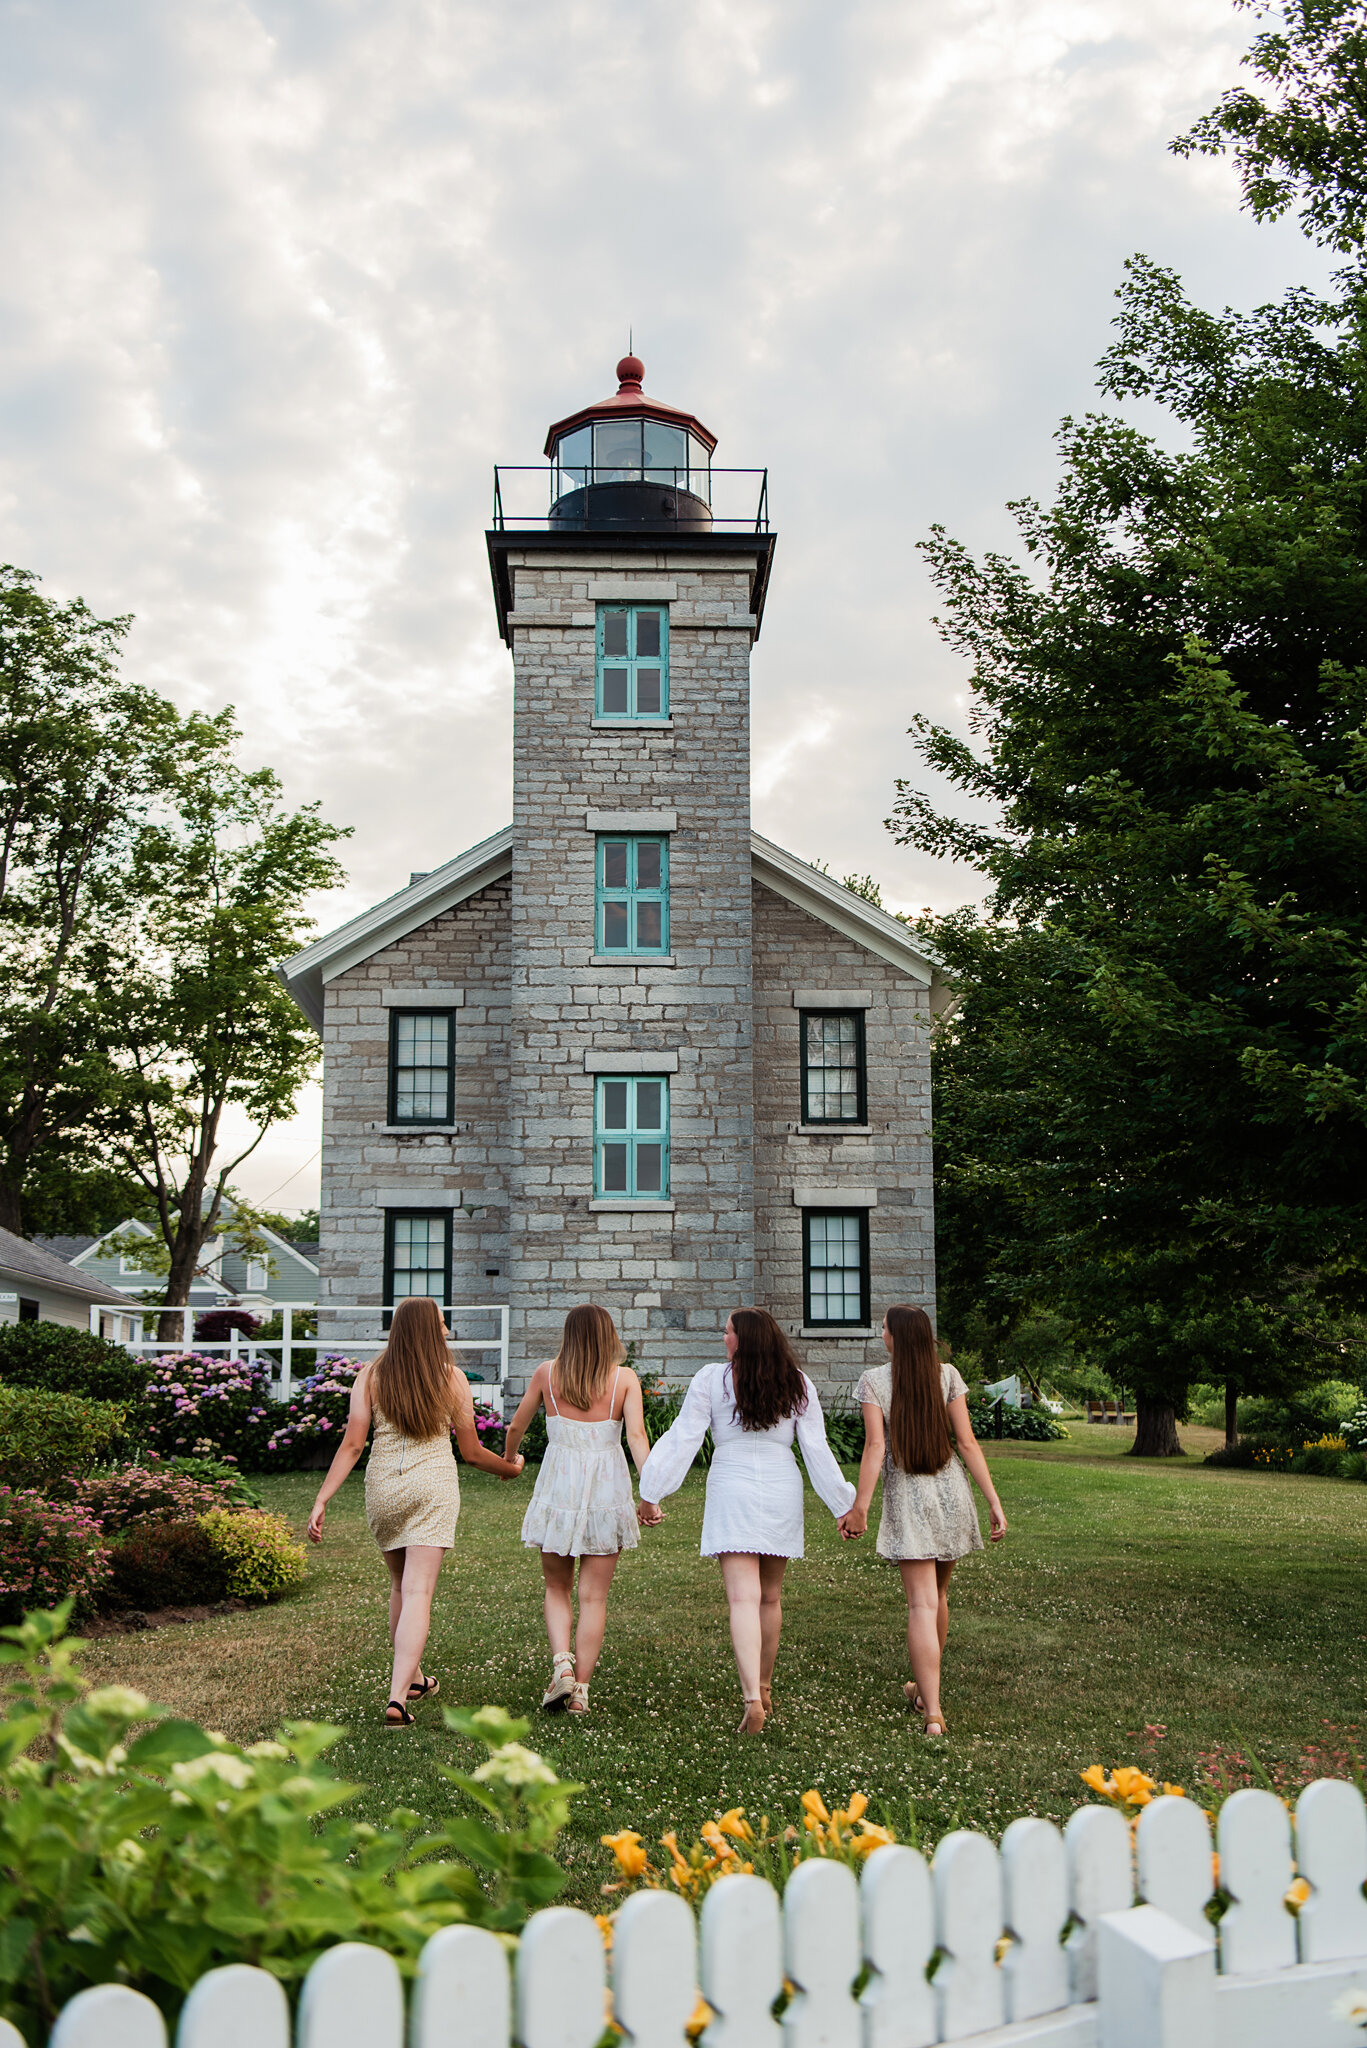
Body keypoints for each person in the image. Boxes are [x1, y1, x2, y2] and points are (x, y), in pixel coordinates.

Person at [306, 1294, 524, 1726]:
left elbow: (352, 1444)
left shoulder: (369, 1376)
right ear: (429, 1329)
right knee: (418, 1592)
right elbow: (472, 1452)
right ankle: (397, 1698)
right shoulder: (452, 1378)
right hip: (433, 1486)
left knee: (400, 1589)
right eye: (441, 1322)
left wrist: (322, 1498)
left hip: (384, 1488)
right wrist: (511, 1469)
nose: (446, 1329)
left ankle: (417, 1679)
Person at [638, 1307, 855, 1735]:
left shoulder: (712, 1381)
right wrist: (842, 1504)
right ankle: (764, 1685)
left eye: (728, 1332)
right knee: (769, 1598)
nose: (724, 1339)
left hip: (733, 1486)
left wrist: (651, 1491)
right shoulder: (798, 1383)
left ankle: (752, 1699)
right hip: (781, 1488)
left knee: (742, 1599)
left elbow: (685, 1438)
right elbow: (816, 1449)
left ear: (745, 1339)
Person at [839, 1304, 1006, 1738]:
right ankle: (922, 1692)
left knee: (921, 1604)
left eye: (884, 1328)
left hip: (910, 1498)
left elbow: (875, 1449)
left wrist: (861, 1507)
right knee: (939, 1597)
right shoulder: (947, 1375)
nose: (880, 1334)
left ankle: (932, 1711)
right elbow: (967, 1443)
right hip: (951, 1492)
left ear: (896, 1336)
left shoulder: (874, 1382)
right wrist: (993, 1501)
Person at [503, 1304, 651, 1715]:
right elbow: (636, 1437)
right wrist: (650, 1492)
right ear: (608, 1335)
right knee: (594, 1598)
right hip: (607, 1492)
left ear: (569, 1335)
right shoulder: (624, 1380)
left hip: (558, 1490)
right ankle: (581, 1691)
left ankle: (561, 1668)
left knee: (556, 1587)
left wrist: (510, 1460)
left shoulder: (546, 1374)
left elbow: (517, 1426)